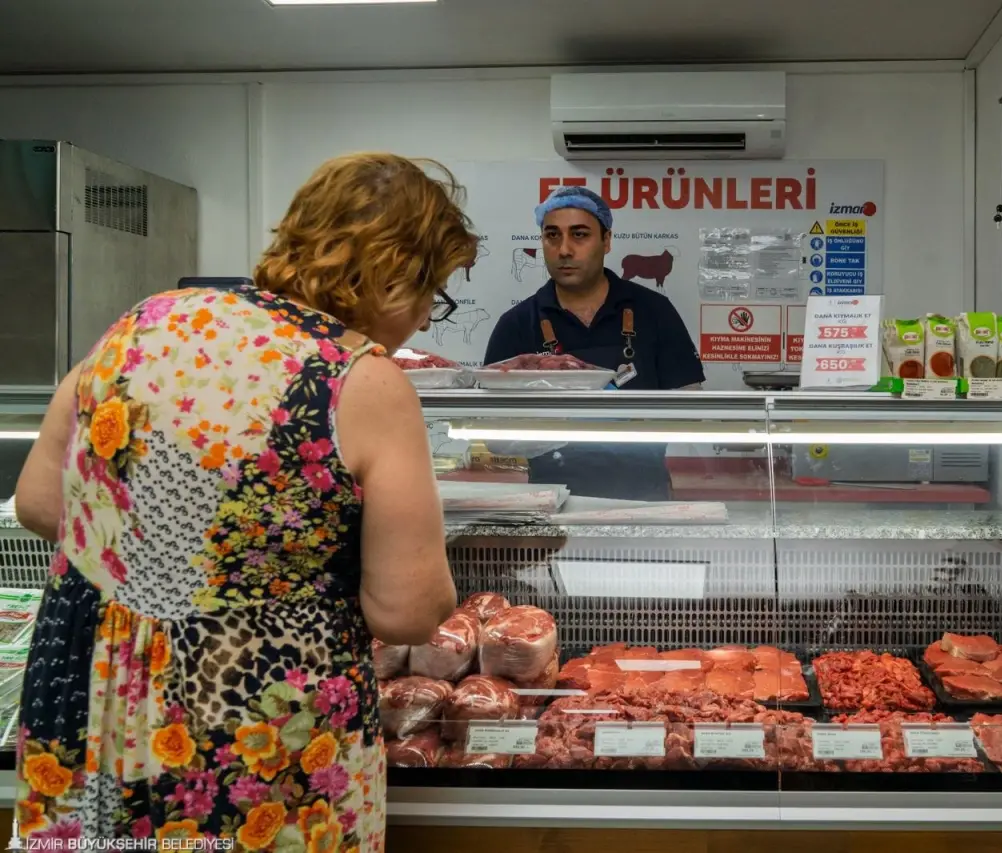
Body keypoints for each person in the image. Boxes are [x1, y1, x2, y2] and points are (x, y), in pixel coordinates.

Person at [12, 152, 470, 848]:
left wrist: (158, 575)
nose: (426, 317)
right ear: (394, 274)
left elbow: (40, 503)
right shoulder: (358, 378)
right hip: (250, 717)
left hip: (93, 691)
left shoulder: (147, 319)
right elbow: (405, 610)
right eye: (432, 291)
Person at [484, 186, 704, 500]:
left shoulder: (654, 311)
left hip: (644, 501)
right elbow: (493, 433)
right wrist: (566, 426)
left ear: (607, 240)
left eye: (580, 235)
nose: (564, 250)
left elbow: (691, 409)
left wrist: (624, 422)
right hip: (552, 502)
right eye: (552, 235)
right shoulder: (517, 323)